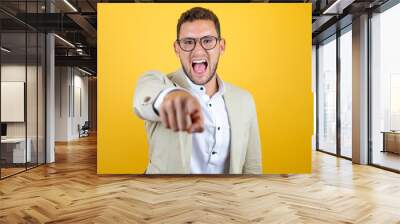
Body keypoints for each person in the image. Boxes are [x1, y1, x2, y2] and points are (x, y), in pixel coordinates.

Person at [133, 7, 262, 174]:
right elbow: (144, 95)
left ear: (221, 46)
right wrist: (169, 98)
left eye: (207, 41)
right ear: (177, 48)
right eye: (188, 42)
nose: (198, 50)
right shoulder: (160, 84)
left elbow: (252, 167)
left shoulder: (244, 100)